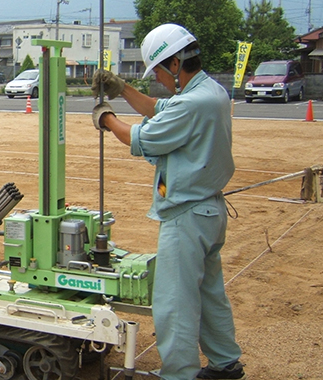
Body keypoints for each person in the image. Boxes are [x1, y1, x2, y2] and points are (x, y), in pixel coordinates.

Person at [91, 24, 246, 380]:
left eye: (158, 70)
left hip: (186, 215)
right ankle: (225, 363)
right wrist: (123, 89)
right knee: (209, 295)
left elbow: (141, 136)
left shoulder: (192, 104)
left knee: (174, 303)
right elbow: (160, 108)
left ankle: (179, 375)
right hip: (209, 209)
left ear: (175, 64)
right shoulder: (210, 92)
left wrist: (107, 118)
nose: (158, 78)